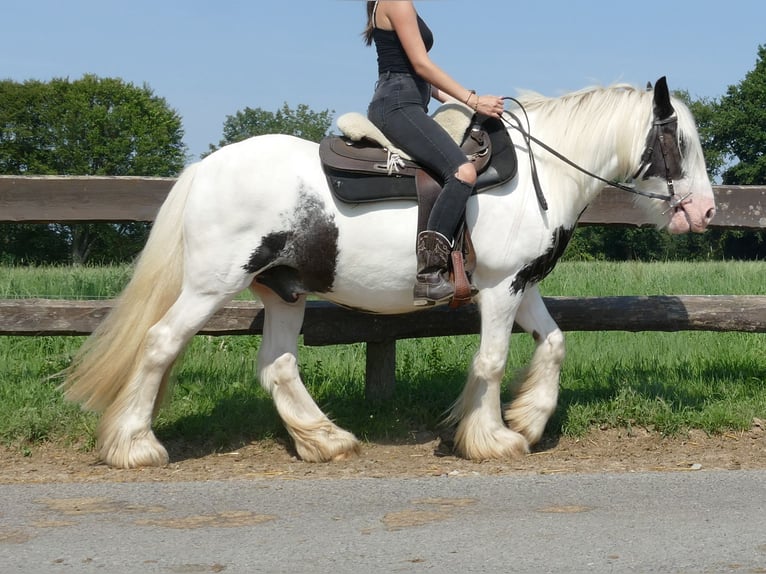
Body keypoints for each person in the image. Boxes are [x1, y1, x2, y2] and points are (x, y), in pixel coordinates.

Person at [364, 0, 505, 305]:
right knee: (462, 171)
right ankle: (429, 275)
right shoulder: (396, 2)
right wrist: (474, 99)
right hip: (398, 104)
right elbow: (421, 64)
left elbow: (421, 78)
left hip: (409, 99)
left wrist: (469, 104)